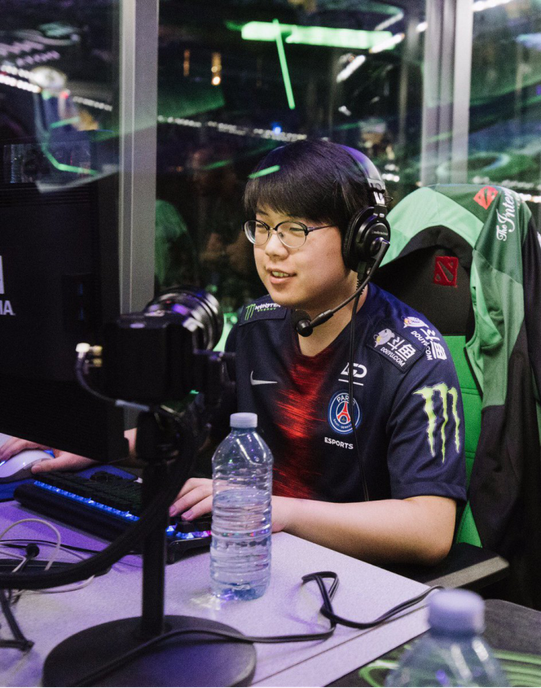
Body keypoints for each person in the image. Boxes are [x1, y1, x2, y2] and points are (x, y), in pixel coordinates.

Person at [0, 140, 466, 566]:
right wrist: (91, 445)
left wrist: (276, 509)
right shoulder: (256, 324)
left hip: (349, 577)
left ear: (360, 238)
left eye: (294, 229)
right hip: (252, 553)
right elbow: (198, 431)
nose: (271, 249)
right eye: (261, 227)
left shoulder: (412, 355)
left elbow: (429, 530)